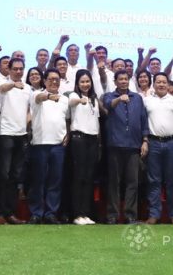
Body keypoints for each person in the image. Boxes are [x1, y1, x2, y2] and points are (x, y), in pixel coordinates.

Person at [103, 70, 148, 224]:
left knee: (132, 182)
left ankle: (130, 215)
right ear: (115, 81)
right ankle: (112, 215)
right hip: (115, 145)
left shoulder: (137, 98)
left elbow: (143, 119)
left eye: (126, 79)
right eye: (120, 79)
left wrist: (145, 140)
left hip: (134, 145)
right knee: (114, 182)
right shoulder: (109, 96)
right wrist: (119, 100)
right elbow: (108, 106)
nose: (123, 81)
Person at [28, 69, 69, 224]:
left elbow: (67, 119)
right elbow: (39, 98)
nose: (54, 82)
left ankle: (51, 213)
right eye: (51, 79)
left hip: (58, 145)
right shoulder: (36, 94)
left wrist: (68, 134)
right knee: (38, 180)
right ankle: (36, 213)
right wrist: (49, 96)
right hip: (40, 144)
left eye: (57, 79)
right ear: (44, 81)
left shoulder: (64, 99)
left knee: (55, 181)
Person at [144, 73, 173, 224]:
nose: (161, 84)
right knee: (154, 180)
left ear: (168, 85)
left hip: (172, 143)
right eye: (158, 82)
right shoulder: (147, 101)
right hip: (153, 143)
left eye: (164, 82)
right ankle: (154, 214)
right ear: (153, 85)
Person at [0, 58, 29, 225]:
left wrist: (26, 122)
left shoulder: (27, 88)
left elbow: (30, 110)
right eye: (15, 69)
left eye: (21, 69)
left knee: (16, 176)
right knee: (3, 174)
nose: (18, 72)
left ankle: (10, 213)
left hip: (21, 134)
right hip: (5, 133)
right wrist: (13, 84)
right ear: (9, 70)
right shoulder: (3, 84)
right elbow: (1, 89)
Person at [68, 69, 102, 225]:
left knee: (89, 177)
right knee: (78, 177)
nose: (85, 84)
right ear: (77, 83)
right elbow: (71, 102)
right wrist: (80, 100)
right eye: (82, 81)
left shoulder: (94, 99)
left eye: (87, 81)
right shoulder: (75, 96)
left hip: (92, 140)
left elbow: (97, 122)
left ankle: (86, 213)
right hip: (79, 139)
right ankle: (76, 214)